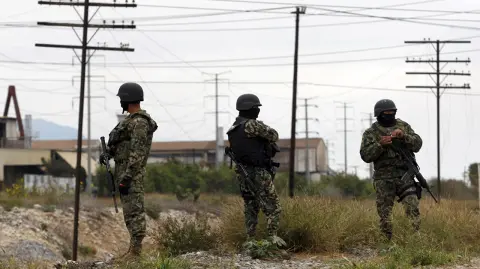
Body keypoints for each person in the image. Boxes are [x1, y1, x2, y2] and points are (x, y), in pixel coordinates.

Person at [100, 82, 158, 259]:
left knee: (134, 212)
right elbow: (123, 146)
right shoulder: (129, 122)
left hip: (131, 176)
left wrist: (127, 178)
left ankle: (136, 252)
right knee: (129, 213)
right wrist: (108, 154)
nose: (120, 102)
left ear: (127, 99)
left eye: (121, 99)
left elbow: (137, 153)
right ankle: (133, 250)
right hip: (125, 174)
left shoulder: (140, 122)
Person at [359, 99, 423, 241]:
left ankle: (415, 241)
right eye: (386, 113)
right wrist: (380, 145)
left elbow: (418, 144)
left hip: (404, 176)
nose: (389, 116)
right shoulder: (371, 133)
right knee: (385, 214)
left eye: (392, 113)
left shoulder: (403, 126)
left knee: (412, 207)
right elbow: (365, 155)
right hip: (384, 179)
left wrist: (404, 137)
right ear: (379, 115)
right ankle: (386, 243)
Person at [226, 93, 283, 245]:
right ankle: (272, 239)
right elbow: (274, 135)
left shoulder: (233, 129)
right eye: (256, 107)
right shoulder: (252, 125)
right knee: (274, 207)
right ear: (249, 108)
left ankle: (250, 240)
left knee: (251, 206)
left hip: (243, 173)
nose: (258, 110)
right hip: (258, 172)